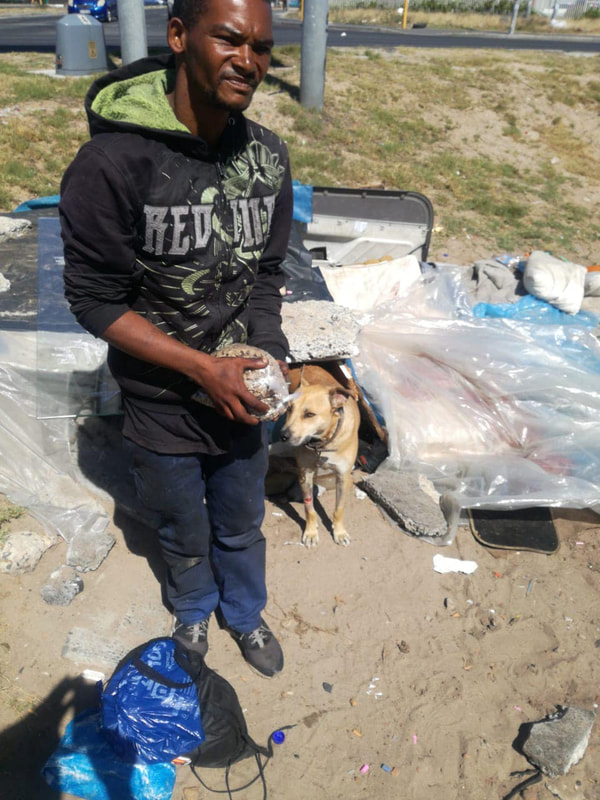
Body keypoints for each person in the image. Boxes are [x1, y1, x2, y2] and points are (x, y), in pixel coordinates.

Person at [59, 0, 293, 678]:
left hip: (240, 397)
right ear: (179, 36)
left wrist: (263, 355)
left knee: (241, 520)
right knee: (180, 524)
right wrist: (198, 368)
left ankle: (245, 613)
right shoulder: (112, 164)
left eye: (262, 47)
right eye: (229, 39)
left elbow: (267, 273)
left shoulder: (267, 158)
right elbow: (94, 301)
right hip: (159, 400)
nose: (248, 60)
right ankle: (193, 608)